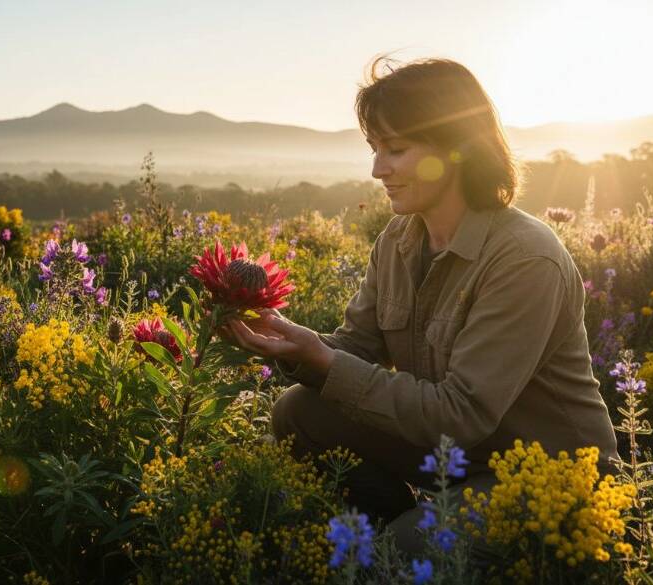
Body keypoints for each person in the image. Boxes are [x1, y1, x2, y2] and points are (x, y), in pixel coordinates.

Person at [222, 56, 619, 554]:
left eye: (396, 150)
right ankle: (402, 527)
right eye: (374, 149)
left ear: (455, 150)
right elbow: (358, 349)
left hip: (544, 474)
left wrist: (324, 360)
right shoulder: (399, 238)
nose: (376, 169)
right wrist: (285, 341)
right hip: (454, 456)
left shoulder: (525, 259)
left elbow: (462, 414)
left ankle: (403, 540)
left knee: (400, 554)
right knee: (299, 412)